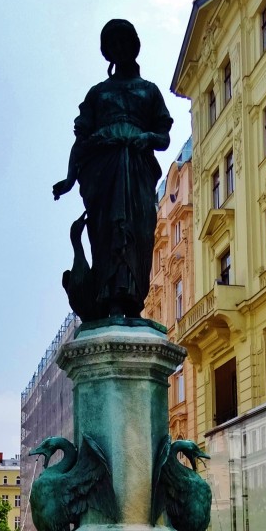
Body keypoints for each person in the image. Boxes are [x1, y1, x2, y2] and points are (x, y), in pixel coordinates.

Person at [53, 19, 173, 321]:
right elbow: (81, 141)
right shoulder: (97, 94)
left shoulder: (149, 92)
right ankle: (110, 299)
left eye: (124, 42)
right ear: (108, 52)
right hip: (103, 175)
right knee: (106, 233)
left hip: (137, 170)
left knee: (138, 231)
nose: (119, 49)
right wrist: (69, 179)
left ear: (133, 46)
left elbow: (163, 137)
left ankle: (132, 300)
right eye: (112, 45)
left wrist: (144, 137)